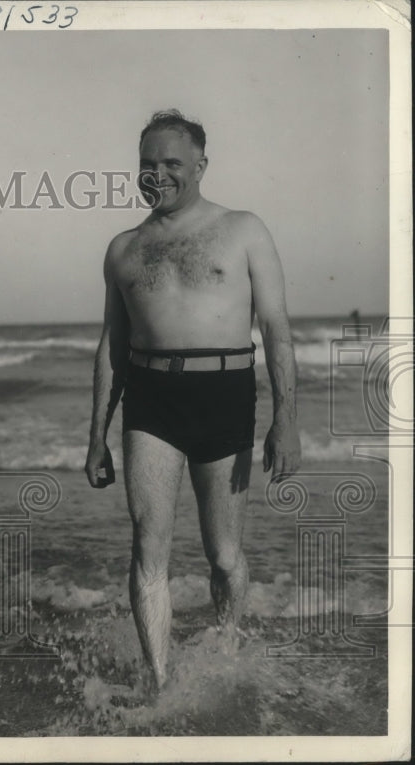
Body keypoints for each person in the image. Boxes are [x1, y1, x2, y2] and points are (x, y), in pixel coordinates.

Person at [85, 109, 301, 690]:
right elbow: (113, 345)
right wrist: (96, 436)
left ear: (201, 165)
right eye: (148, 164)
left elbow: (277, 327)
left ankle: (226, 649)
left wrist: (286, 418)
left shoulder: (243, 229)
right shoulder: (123, 249)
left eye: (172, 163)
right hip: (151, 400)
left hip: (225, 394)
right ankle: (160, 685)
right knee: (147, 548)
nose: (159, 174)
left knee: (225, 556)